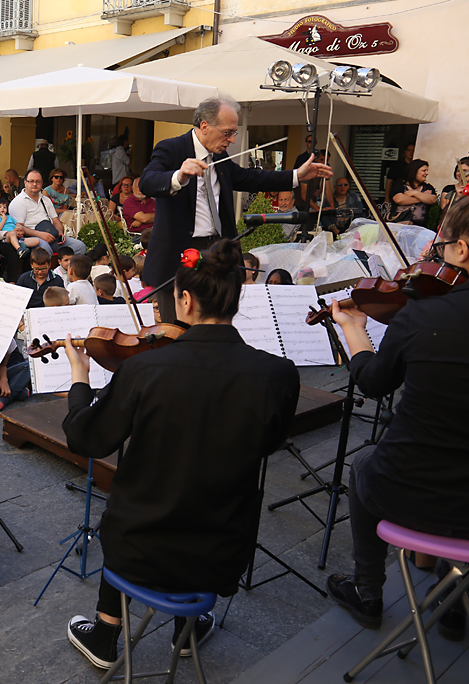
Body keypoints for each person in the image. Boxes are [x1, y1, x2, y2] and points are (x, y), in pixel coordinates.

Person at [63, 239, 300, 670]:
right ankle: (187, 629)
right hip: (221, 553)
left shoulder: (144, 369)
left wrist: (80, 381)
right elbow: (269, 443)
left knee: (130, 505)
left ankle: (105, 632)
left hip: (138, 548)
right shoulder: (277, 374)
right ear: (236, 297)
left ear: (185, 299)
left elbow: (87, 440)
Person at [326, 170, 469, 634]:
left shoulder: (426, 313)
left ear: (465, 250)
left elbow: (373, 382)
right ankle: (454, 595)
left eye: (445, 243)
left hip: (409, 489)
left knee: (364, 463)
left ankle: (369, 591)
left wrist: (354, 331)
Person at [138, 96, 331, 322]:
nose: (231, 139)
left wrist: (296, 176)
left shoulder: (219, 155)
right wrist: (178, 176)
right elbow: (147, 181)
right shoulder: (171, 148)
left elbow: (249, 178)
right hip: (179, 252)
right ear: (204, 126)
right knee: (177, 326)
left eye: (234, 133)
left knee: (215, 322)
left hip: (216, 250)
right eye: (227, 132)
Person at [9, 170, 86, 257]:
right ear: (25, 182)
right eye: (31, 181)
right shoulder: (18, 202)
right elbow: (19, 227)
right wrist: (40, 234)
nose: (35, 184)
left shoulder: (45, 200)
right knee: (45, 249)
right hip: (30, 237)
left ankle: (65, 269)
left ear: (42, 183)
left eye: (38, 181)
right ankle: (49, 270)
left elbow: (56, 220)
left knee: (79, 246)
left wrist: (60, 233)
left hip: (50, 233)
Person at [390, 159, 437, 228]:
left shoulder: (428, 187)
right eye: (424, 171)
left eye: (427, 171)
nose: (427, 173)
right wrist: (423, 197)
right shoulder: (399, 184)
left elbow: (432, 199)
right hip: (399, 226)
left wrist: (413, 193)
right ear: (414, 171)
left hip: (420, 228)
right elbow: (399, 199)